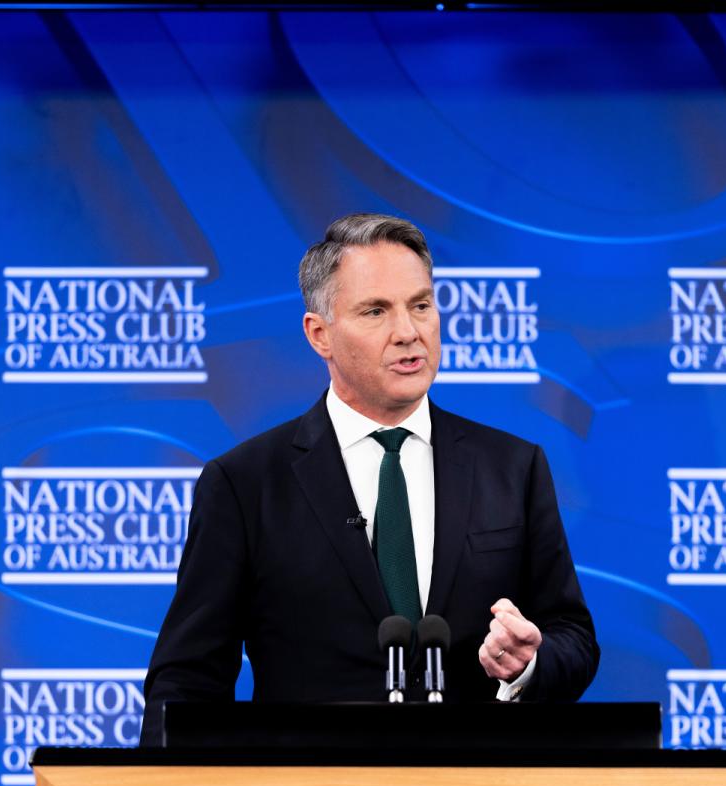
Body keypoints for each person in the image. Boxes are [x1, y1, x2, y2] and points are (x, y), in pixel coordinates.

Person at [139, 213, 597, 743]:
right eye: (375, 311)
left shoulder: (513, 468)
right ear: (320, 335)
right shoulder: (245, 484)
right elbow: (188, 679)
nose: (408, 332)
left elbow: (574, 638)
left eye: (421, 305)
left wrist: (528, 665)